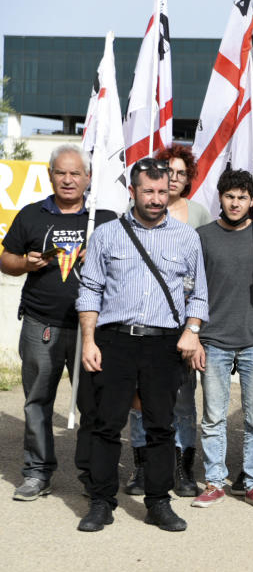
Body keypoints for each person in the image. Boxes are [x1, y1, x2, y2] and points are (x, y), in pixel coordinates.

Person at [75, 157, 208, 532]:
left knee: (161, 427)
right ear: (132, 191)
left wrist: (192, 329)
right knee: (106, 424)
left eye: (162, 191)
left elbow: (199, 294)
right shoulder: (107, 234)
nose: (155, 199)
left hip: (164, 345)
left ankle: (158, 502)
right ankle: (101, 502)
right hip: (114, 342)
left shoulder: (186, 237)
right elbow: (90, 290)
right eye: (148, 191)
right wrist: (89, 340)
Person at [1, 144, 111, 500]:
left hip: (91, 328)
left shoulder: (104, 219)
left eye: (75, 173)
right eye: (61, 173)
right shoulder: (32, 215)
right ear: (50, 176)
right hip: (41, 323)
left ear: (88, 178)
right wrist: (25, 264)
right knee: (37, 400)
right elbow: (6, 260)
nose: (68, 179)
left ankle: (91, 474)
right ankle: (37, 472)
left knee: (93, 404)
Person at [190, 170, 253, 511]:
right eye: (230, 196)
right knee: (213, 417)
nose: (235, 203)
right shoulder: (202, 236)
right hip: (213, 339)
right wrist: (195, 335)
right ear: (221, 198)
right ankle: (215, 481)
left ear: (252, 202)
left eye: (242, 197)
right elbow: (193, 289)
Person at [125, 145, 212, 498]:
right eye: (168, 172)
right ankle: (142, 468)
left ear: (189, 177)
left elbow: (205, 279)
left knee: (182, 400)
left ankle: (182, 468)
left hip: (184, 325)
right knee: (139, 399)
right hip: (143, 323)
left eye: (180, 172)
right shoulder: (135, 213)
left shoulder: (201, 216)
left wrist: (196, 330)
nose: (174, 178)